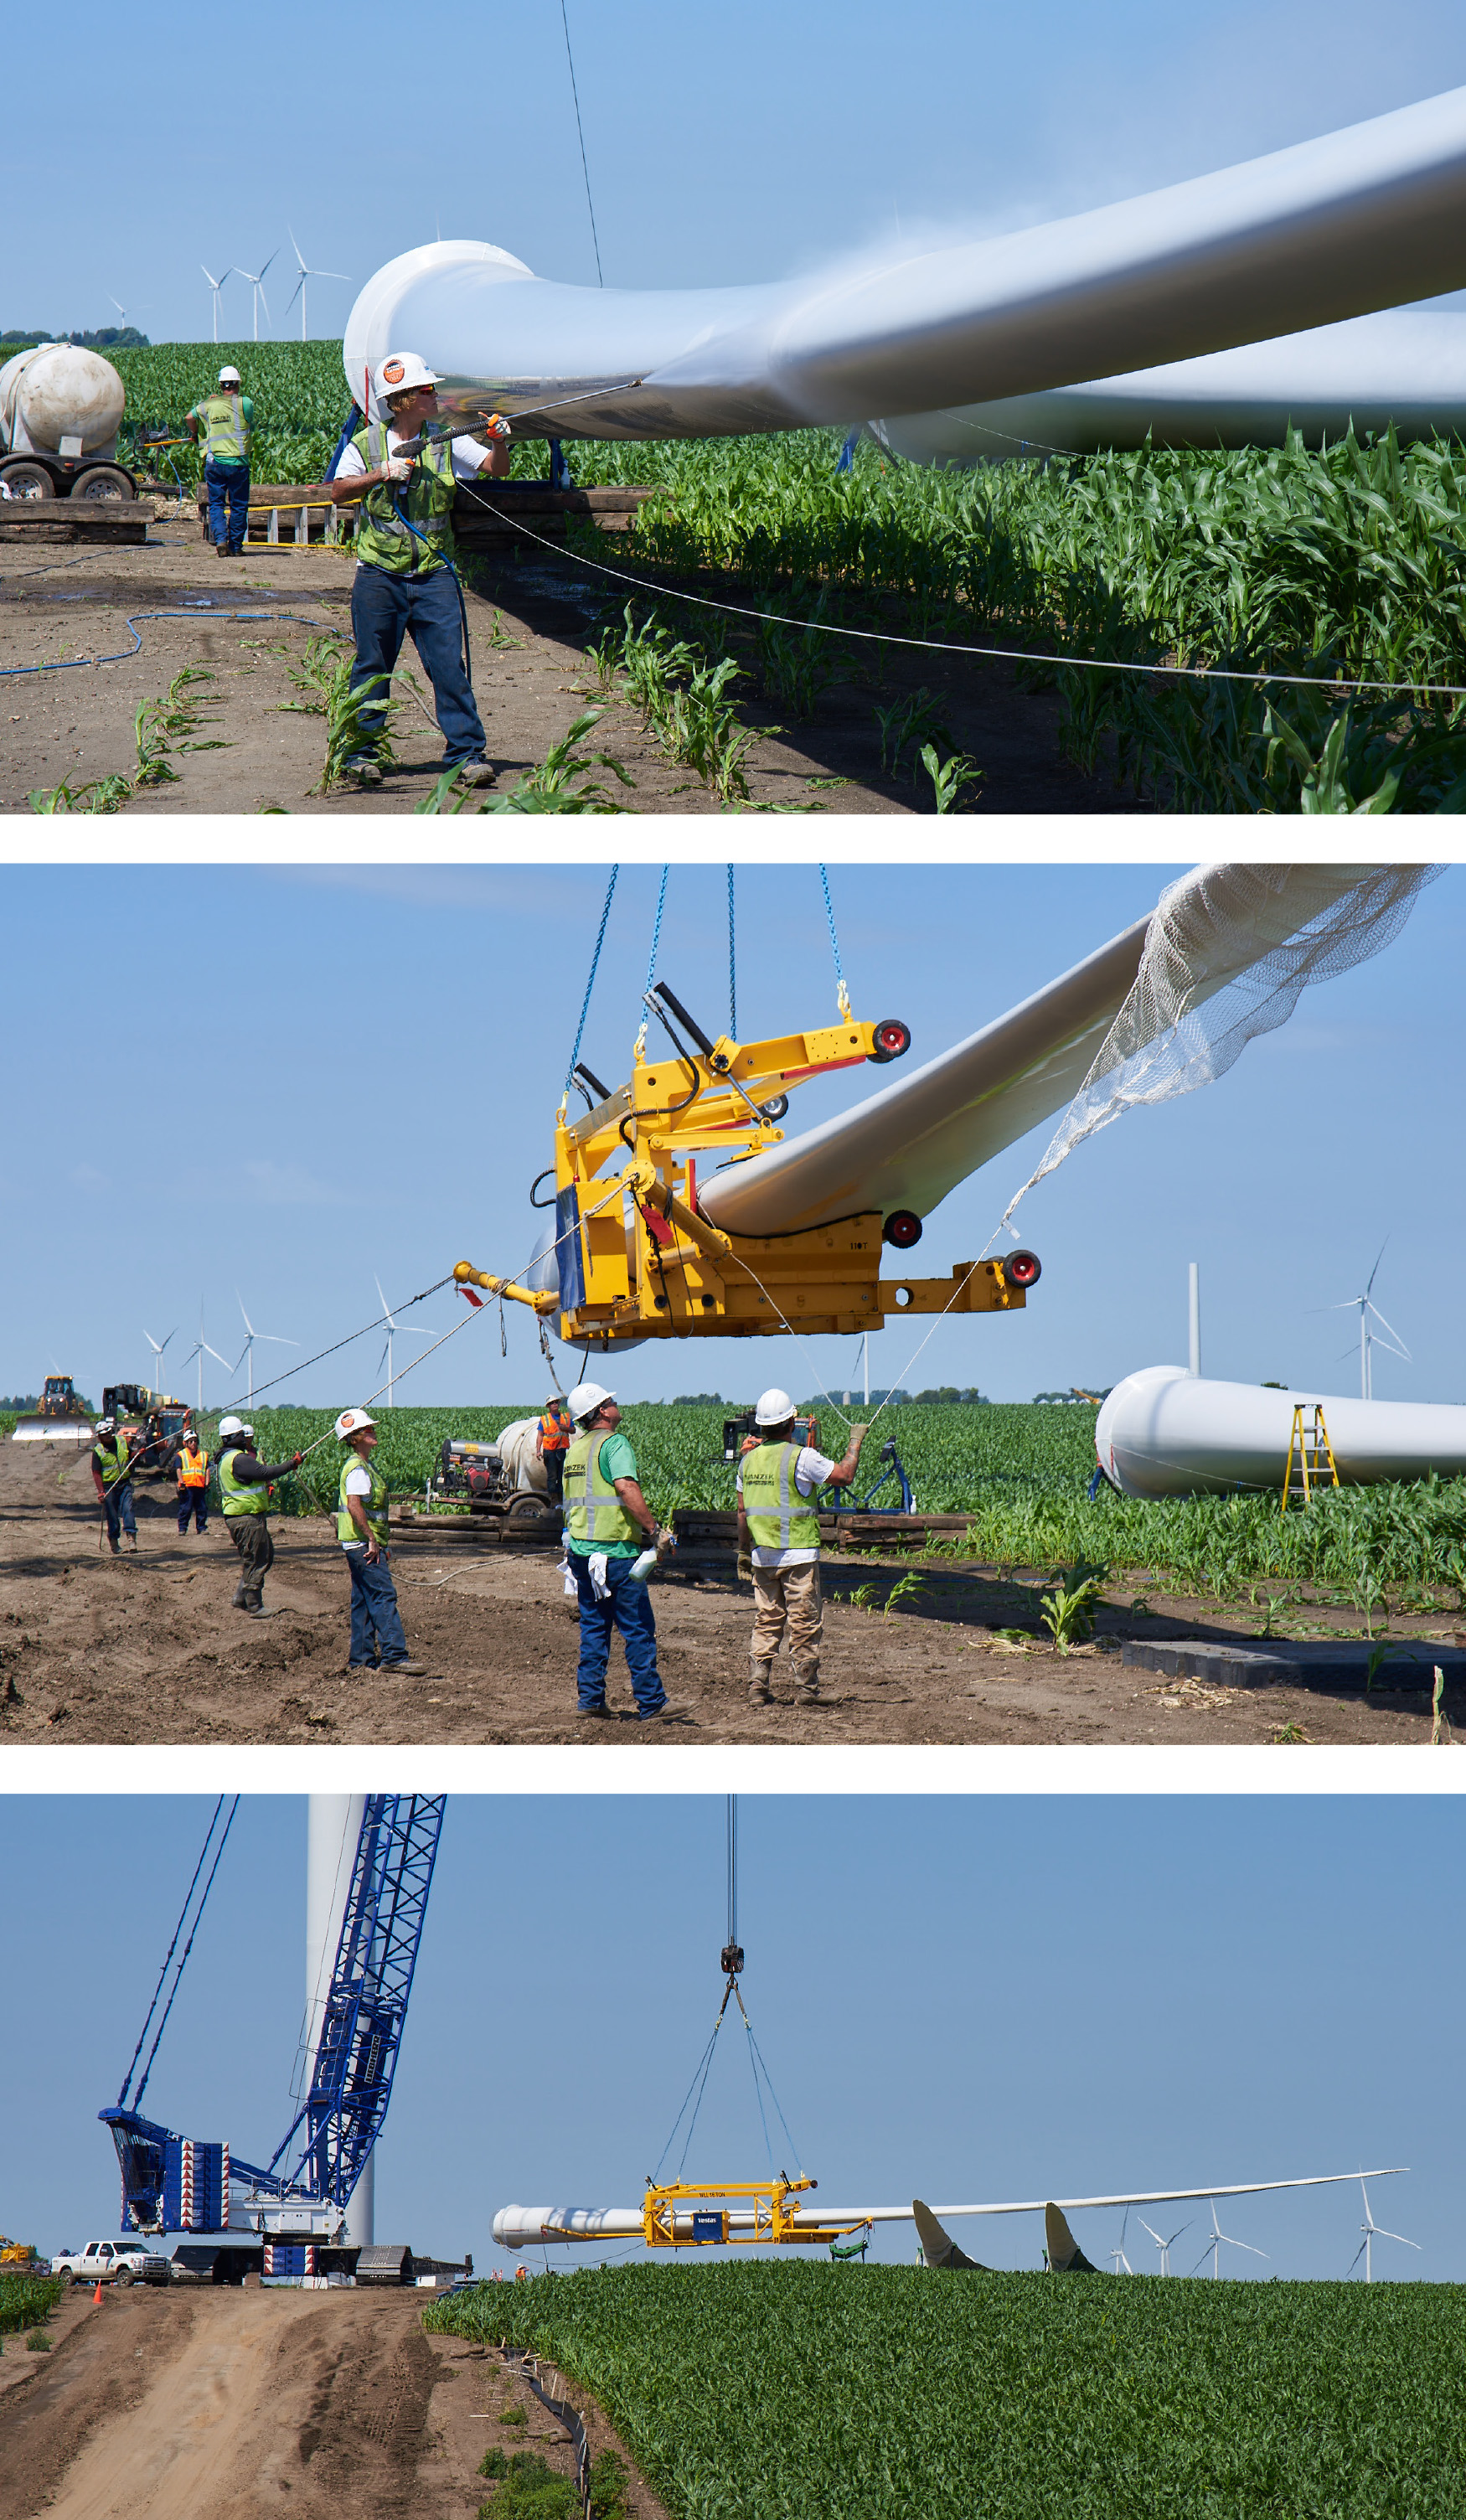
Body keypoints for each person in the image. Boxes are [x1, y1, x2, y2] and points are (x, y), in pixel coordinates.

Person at [327, 352, 513, 790]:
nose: (435, 395)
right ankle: (360, 755)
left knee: (449, 667)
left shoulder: (445, 440)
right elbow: (337, 491)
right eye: (427, 389)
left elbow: (496, 469)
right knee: (372, 668)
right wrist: (381, 473)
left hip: (434, 575)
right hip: (379, 576)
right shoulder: (366, 445)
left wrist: (499, 442)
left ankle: (467, 755)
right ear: (405, 399)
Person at [562, 1382, 689, 1722]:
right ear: (602, 1411)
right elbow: (626, 1487)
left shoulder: (575, 1450)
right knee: (637, 1628)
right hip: (616, 1554)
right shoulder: (614, 1444)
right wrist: (655, 1531)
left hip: (582, 1555)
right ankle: (652, 1703)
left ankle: (590, 1700)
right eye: (611, 1401)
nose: (616, 1404)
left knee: (594, 1627)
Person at [736, 1388, 869, 1707]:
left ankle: (757, 1687)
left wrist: (742, 1551)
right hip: (798, 1556)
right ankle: (807, 1690)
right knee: (805, 1622)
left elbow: (741, 1512)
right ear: (791, 1422)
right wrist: (855, 1441)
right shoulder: (802, 1457)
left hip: (763, 1557)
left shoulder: (747, 1462)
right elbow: (844, 1476)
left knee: (767, 1621)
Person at [333, 1407, 426, 1675]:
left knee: (363, 1600)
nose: (374, 1432)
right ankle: (394, 1656)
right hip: (364, 1545)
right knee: (383, 1596)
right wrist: (373, 1540)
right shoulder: (358, 1468)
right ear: (355, 1437)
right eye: (368, 1429)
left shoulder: (362, 1466)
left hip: (357, 1544)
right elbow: (354, 1505)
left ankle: (361, 1660)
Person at [216, 1413, 303, 1617]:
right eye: (241, 1434)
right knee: (257, 1560)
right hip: (246, 1518)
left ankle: (241, 1598)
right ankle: (255, 1605)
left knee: (263, 1556)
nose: (245, 1438)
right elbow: (265, 1473)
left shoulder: (227, 1458)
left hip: (243, 1517)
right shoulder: (238, 1459)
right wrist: (292, 1464)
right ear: (233, 1437)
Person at [186, 364, 253, 560]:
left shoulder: (208, 405)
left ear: (221, 385)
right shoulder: (245, 403)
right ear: (238, 384)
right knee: (239, 506)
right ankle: (236, 547)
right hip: (238, 463)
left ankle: (221, 541)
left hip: (215, 462)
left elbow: (189, 417)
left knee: (216, 504)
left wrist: (195, 433)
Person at [91, 1416, 137, 1555]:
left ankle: (131, 1539)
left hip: (124, 1483)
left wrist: (138, 1453)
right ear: (99, 1437)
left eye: (109, 1433)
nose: (108, 1436)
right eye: (105, 1434)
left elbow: (131, 1455)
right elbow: (96, 1473)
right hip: (109, 1487)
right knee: (112, 1516)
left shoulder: (122, 1442)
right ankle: (114, 1542)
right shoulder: (98, 1451)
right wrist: (101, 1491)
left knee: (128, 1510)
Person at [536, 1394, 572, 1509]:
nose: (555, 1404)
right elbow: (540, 1435)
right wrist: (538, 1451)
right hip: (550, 1451)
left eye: (556, 1402)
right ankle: (553, 1500)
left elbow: (573, 1430)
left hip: (562, 1450)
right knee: (552, 1476)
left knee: (562, 1476)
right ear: (548, 1406)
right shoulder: (544, 1419)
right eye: (552, 1403)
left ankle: (561, 1500)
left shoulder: (566, 1417)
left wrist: (565, 1428)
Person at [176, 1426, 210, 1536]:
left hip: (200, 1485)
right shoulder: (181, 1455)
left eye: (195, 1441)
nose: (193, 1443)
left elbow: (207, 1469)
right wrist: (181, 1482)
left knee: (202, 1509)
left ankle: (201, 1528)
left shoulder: (203, 1455)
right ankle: (182, 1528)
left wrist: (207, 1482)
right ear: (186, 1443)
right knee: (185, 1508)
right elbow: (178, 1469)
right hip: (187, 1486)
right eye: (190, 1441)